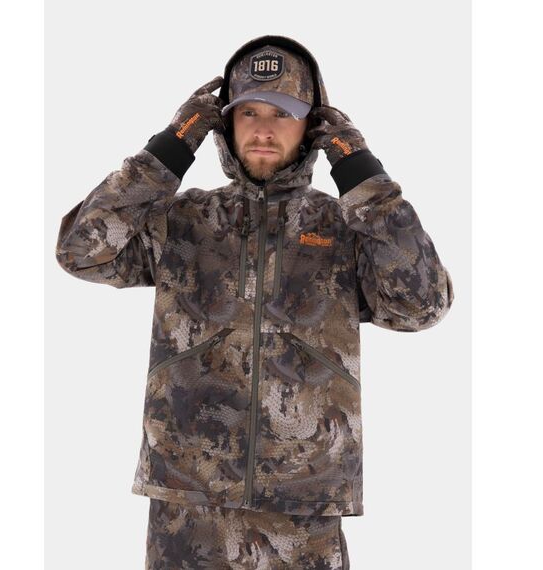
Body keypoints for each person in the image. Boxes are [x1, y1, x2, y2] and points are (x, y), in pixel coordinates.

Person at [56, 34, 454, 569]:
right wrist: (169, 148)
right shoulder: (182, 221)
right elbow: (80, 251)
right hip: (187, 500)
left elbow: (422, 305)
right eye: (249, 113)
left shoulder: (344, 228)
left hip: (305, 500)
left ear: (312, 128)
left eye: (283, 114)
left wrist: (362, 174)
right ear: (225, 125)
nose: (264, 129)